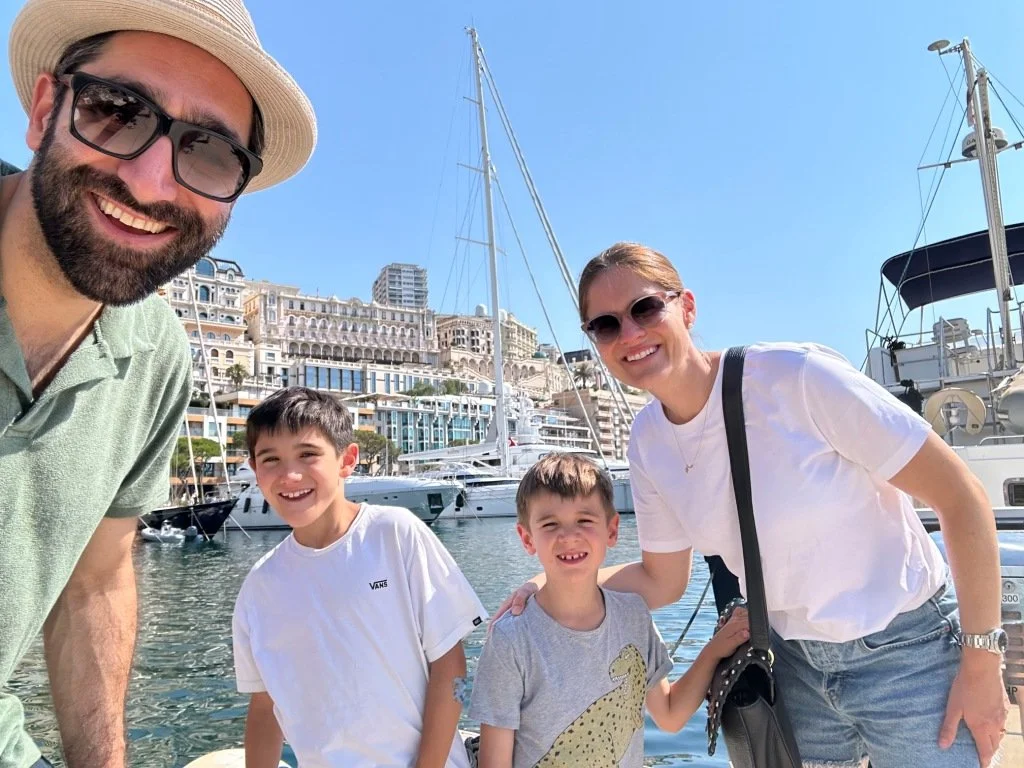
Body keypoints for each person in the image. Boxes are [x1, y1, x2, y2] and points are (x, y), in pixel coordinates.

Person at [498, 242, 1011, 767]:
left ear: (686, 308)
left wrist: (981, 663)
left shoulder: (796, 378)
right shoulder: (648, 442)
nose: (629, 333)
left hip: (906, 653)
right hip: (790, 667)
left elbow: (960, 497)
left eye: (645, 309)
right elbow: (661, 581)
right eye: (605, 325)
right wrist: (546, 584)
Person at [0, 1, 316, 766]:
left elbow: (96, 581)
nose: (150, 182)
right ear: (45, 111)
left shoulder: (157, 356)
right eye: (116, 111)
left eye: (209, 152)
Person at [233, 387, 487, 768]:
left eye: (308, 454)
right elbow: (265, 703)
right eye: (271, 459)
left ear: (347, 460)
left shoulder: (395, 534)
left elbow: (450, 665)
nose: (290, 475)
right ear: (255, 470)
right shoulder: (259, 587)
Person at [470, 453, 750, 768]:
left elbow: (670, 714)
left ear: (612, 530)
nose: (569, 536)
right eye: (550, 524)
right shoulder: (510, 639)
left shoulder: (634, 616)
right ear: (527, 538)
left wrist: (716, 649)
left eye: (584, 520)